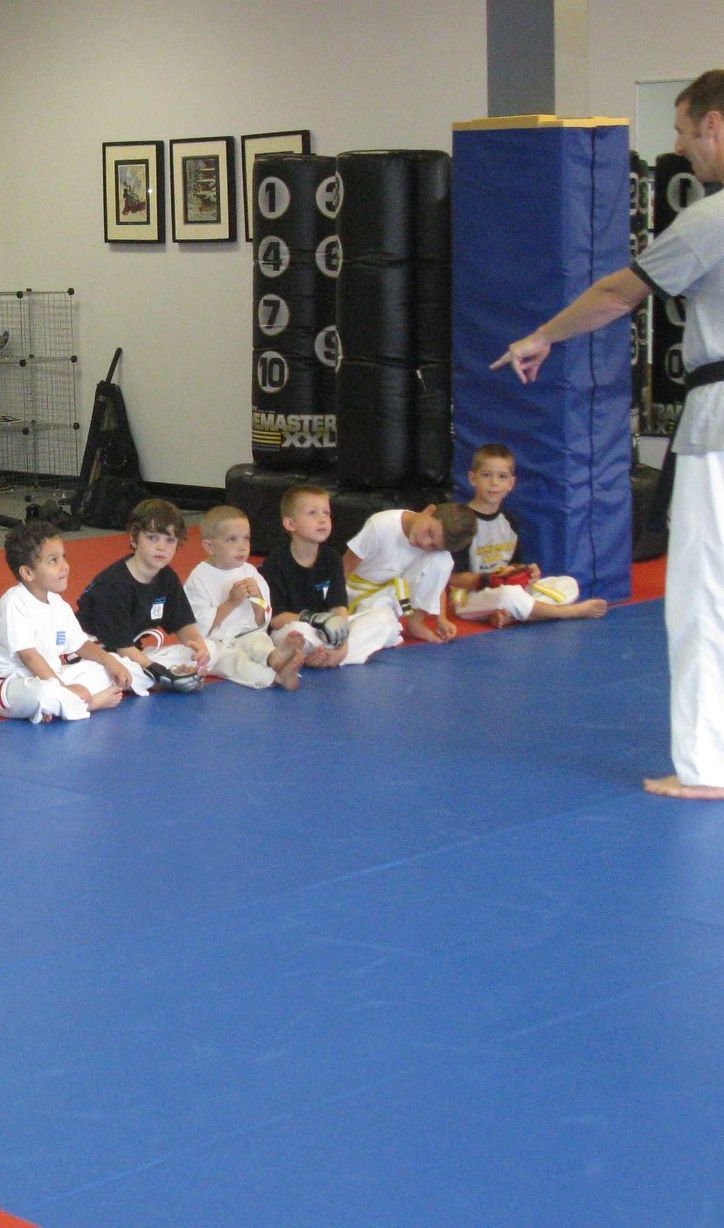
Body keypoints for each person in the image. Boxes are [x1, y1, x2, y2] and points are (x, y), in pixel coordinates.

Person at [494, 69, 724, 799]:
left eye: (684, 132)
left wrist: (543, 335)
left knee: (705, 595)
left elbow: (620, 291)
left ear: (714, 125)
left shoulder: (714, 218)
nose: (682, 149)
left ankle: (708, 765)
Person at [0, 520, 150, 722]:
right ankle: (89, 702)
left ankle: (66, 704)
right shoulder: (14, 603)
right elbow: (30, 657)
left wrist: (111, 662)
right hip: (11, 684)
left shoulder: (57, 603)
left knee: (122, 667)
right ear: (27, 572)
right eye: (53, 560)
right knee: (45, 694)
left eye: (63, 557)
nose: (65, 566)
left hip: (52, 675)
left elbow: (81, 645)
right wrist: (63, 688)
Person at [448, 444, 610, 627]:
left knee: (568, 584)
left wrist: (526, 572)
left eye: (502, 476)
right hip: (470, 596)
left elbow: (513, 565)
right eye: (486, 475)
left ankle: (510, 615)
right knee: (509, 595)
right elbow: (454, 578)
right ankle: (568, 612)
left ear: (511, 484)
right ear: (472, 478)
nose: (494, 483)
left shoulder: (510, 521)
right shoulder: (462, 522)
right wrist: (491, 579)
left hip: (504, 588)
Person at [76, 498, 211, 691]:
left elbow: (183, 625)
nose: (162, 547)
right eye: (152, 538)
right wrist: (158, 671)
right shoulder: (112, 584)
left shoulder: (167, 577)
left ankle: (148, 675)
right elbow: (122, 647)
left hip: (131, 653)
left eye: (170, 540)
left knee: (208, 652)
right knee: (121, 674)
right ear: (134, 538)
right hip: (95, 655)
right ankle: (144, 676)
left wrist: (199, 648)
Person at [261, 484, 401, 667]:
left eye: (326, 513)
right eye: (312, 513)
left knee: (385, 619)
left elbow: (339, 608)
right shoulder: (276, 562)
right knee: (297, 633)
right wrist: (315, 620)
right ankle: (323, 654)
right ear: (290, 524)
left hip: (329, 629)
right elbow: (276, 619)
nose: (322, 519)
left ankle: (333, 656)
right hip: (296, 627)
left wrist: (343, 643)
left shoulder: (332, 558)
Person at [181, 505, 304, 690]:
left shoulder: (250, 571)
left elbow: (262, 619)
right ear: (209, 546)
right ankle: (276, 677)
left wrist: (257, 600)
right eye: (232, 539)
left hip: (248, 633)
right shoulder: (198, 578)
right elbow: (197, 628)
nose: (242, 546)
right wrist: (231, 603)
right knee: (234, 661)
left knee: (259, 642)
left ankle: (274, 657)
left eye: (246, 538)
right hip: (217, 643)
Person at [342, 503, 477, 645]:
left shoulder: (435, 551)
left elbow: (437, 582)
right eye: (430, 532)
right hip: (356, 592)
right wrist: (337, 609)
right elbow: (344, 571)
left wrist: (441, 619)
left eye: (433, 546)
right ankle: (341, 642)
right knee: (384, 631)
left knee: (443, 559)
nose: (425, 542)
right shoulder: (381, 525)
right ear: (429, 511)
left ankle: (415, 623)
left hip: (389, 598)